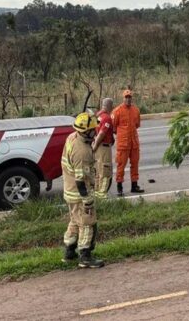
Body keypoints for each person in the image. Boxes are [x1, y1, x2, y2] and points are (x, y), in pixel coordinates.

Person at [61, 112, 104, 268]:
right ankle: (85, 256)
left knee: (74, 221)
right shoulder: (83, 152)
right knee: (87, 223)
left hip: (69, 191)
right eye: (93, 129)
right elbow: (81, 180)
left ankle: (69, 252)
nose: (96, 132)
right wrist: (87, 200)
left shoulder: (72, 137)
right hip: (79, 194)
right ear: (86, 131)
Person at [112, 89, 143, 196]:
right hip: (123, 144)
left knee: (135, 164)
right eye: (126, 97)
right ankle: (119, 188)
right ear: (123, 98)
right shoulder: (117, 111)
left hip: (134, 143)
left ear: (131, 98)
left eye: (130, 97)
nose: (128, 99)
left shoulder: (136, 110)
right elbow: (113, 127)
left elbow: (137, 125)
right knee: (121, 165)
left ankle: (134, 185)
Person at [93, 98, 114, 199]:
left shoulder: (98, 116)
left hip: (98, 148)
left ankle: (97, 192)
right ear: (110, 106)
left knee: (98, 170)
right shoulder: (107, 118)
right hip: (103, 147)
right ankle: (102, 195)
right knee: (105, 171)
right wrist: (95, 146)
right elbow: (101, 134)